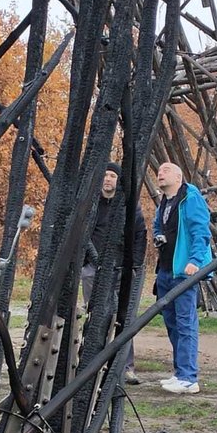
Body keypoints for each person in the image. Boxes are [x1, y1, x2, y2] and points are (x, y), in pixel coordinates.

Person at [81, 161, 147, 384]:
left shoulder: (129, 206)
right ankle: (90, 365)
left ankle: (125, 367)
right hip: (93, 270)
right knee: (94, 317)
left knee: (122, 319)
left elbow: (140, 235)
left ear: (119, 181)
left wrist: (134, 266)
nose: (108, 179)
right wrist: (84, 264)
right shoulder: (91, 205)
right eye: (105, 175)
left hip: (121, 270)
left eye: (112, 176)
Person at [152, 161, 211, 394]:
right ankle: (180, 373)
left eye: (166, 170)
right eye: (159, 171)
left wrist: (195, 261)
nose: (160, 173)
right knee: (172, 324)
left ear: (179, 176)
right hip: (166, 270)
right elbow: (157, 226)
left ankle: (189, 377)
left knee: (186, 323)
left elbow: (201, 231)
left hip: (183, 271)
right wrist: (158, 236)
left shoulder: (190, 197)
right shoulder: (164, 202)